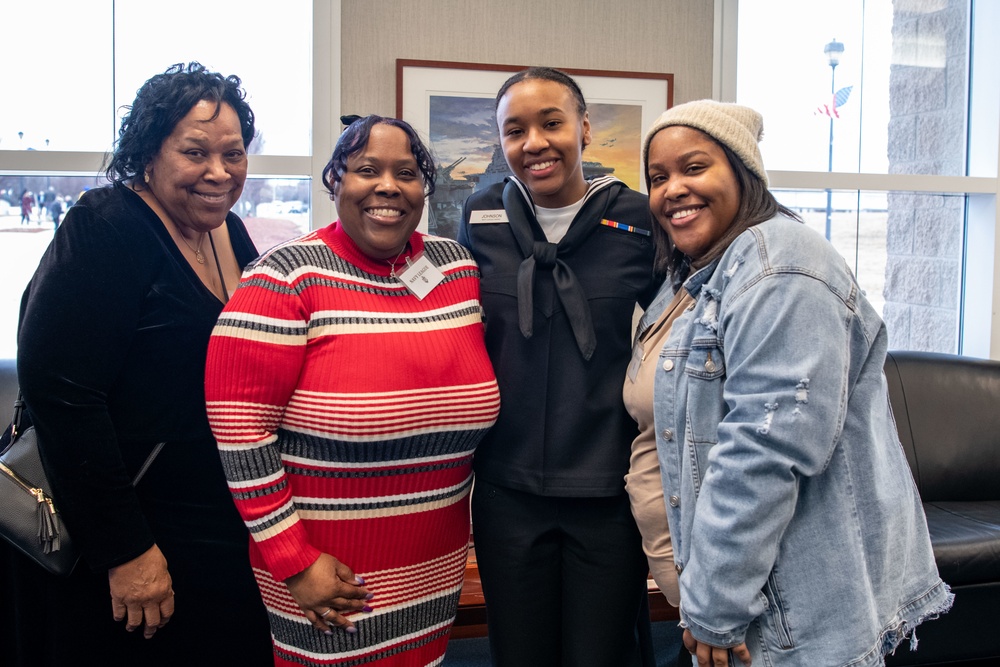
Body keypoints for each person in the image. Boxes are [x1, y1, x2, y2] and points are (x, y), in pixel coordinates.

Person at [631, 99, 953, 667]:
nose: (673, 189)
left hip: (789, 609)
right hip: (732, 593)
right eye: (658, 178)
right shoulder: (698, 274)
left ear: (744, 171)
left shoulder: (780, 265)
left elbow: (762, 450)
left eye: (694, 167)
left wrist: (715, 605)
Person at [204, 114, 500, 666]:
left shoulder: (456, 268)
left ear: (423, 189)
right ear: (336, 180)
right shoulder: (284, 278)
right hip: (328, 574)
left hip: (432, 565)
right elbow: (240, 433)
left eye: (406, 172)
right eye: (367, 169)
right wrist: (293, 560)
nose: (388, 186)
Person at [9, 62, 273, 666]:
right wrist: (125, 550)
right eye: (195, 152)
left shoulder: (229, 230)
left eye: (233, 153)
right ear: (147, 155)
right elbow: (64, 396)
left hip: (213, 524)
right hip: (126, 532)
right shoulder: (107, 225)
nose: (218, 171)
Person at [458, 67, 658, 667]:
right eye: (515, 130)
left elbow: (680, 335)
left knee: (599, 656)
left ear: (584, 129)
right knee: (519, 655)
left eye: (551, 123)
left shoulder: (640, 221)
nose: (534, 143)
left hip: (605, 490)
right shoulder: (481, 214)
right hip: (505, 491)